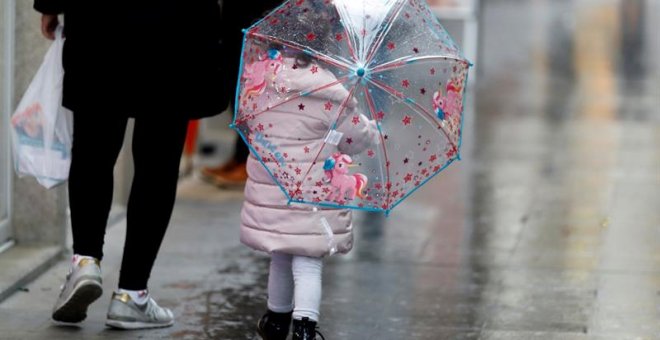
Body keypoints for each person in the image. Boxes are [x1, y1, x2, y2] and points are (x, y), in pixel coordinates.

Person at [34, 0, 226, 329]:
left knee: (93, 146)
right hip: (179, 28)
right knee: (158, 162)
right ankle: (131, 294)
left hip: (100, 20)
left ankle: (85, 261)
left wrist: (51, 4)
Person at [238, 37, 380, 340]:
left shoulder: (259, 80)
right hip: (312, 195)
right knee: (307, 262)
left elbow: (248, 122)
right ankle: (305, 329)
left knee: (280, 254)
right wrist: (370, 129)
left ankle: (276, 320)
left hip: (273, 188)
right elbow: (354, 138)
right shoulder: (330, 93)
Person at [200, 0, 283, 188]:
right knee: (236, 81)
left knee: (251, 85)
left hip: (257, 15)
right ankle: (239, 157)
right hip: (237, 16)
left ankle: (247, 161)